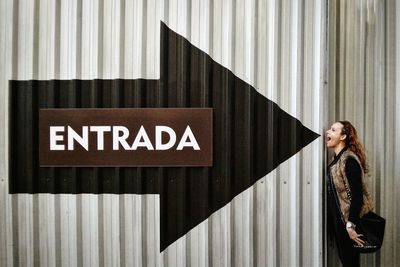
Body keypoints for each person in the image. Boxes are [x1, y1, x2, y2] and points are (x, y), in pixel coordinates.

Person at [326, 121, 374, 267]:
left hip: (347, 223)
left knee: (350, 263)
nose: (328, 132)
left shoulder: (348, 160)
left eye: (333, 130)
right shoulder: (335, 160)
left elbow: (357, 196)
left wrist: (350, 226)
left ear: (343, 136)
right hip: (339, 222)